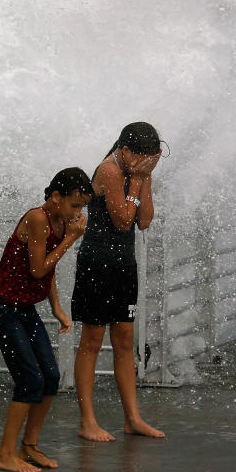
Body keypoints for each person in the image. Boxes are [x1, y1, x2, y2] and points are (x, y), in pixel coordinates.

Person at [0, 167, 93, 472]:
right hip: (3, 308)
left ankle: (29, 447)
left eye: (82, 208)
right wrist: (70, 240)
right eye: (74, 205)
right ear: (56, 197)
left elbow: (50, 267)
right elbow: (38, 269)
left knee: (50, 376)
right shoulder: (37, 218)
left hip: (25, 309)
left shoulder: (59, 222)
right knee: (30, 379)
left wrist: (56, 306)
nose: (77, 213)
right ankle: (5, 454)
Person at [71, 122, 166, 441]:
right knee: (92, 342)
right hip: (97, 265)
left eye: (152, 159)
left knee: (125, 340)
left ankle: (133, 419)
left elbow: (145, 221)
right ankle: (87, 422)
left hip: (124, 266)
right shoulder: (110, 170)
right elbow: (124, 221)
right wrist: (138, 181)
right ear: (124, 151)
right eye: (142, 158)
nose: (147, 163)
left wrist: (143, 178)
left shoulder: (141, 171)